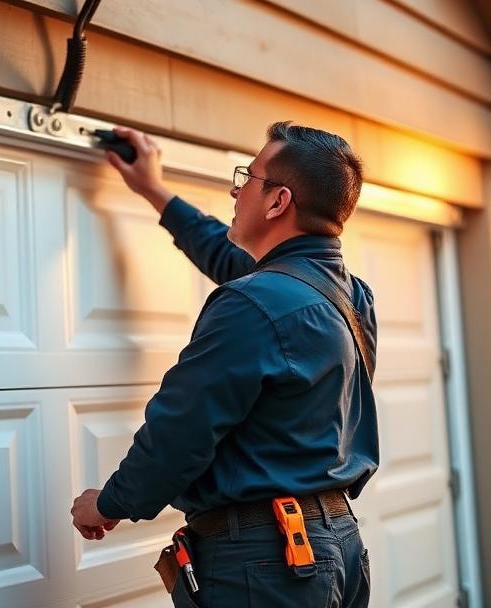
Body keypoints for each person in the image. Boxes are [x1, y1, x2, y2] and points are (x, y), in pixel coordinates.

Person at [70, 122, 377, 607]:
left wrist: (108, 502)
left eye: (248, 178)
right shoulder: (348, 297)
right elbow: (226, 253)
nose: (235, 189)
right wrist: (154, 189)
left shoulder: (254, 303)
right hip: (337, 546)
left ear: (278, 202)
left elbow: (182, 428)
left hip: (268, 563)